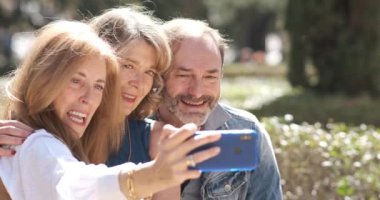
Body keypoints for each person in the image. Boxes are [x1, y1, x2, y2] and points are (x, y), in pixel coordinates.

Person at [0, 20, 221, 200]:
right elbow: (75, 186)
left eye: (98, 85)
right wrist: (153, 175)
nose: (138, 82)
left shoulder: (146, 136)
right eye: (127, 66)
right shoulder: (33, 142)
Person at [108, 18, 283, 199]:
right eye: (184, 75)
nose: (197, 92)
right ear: (159, 77)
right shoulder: (127, 132)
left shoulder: (247, 130)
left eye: (210, 77)